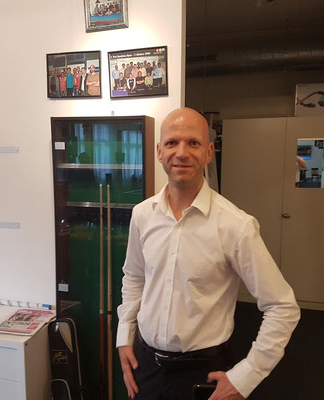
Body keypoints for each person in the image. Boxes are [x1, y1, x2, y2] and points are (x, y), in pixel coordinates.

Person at [117, 107, 300, 400]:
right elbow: (135, 277)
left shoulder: (235, 225)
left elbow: (282, 307)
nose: (181, 153)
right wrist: (124, 336)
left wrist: (247, 375)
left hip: (203, 371)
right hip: (145, 366)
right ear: (159, 151)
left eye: (193, 143)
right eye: (172, 143)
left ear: (208, 153)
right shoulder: (142, 215)